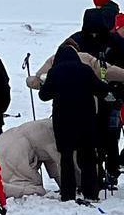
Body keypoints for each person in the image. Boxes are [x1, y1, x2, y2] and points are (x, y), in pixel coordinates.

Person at [38, 45, 112, 202]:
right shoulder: (85, 70)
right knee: (88, 157)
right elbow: (102, 90)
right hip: (86, 121)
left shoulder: (55, 72)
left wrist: (44, 84)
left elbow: (44, 96)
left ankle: (68, 194)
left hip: (64, 122)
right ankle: (91, 192)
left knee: (66, 158)